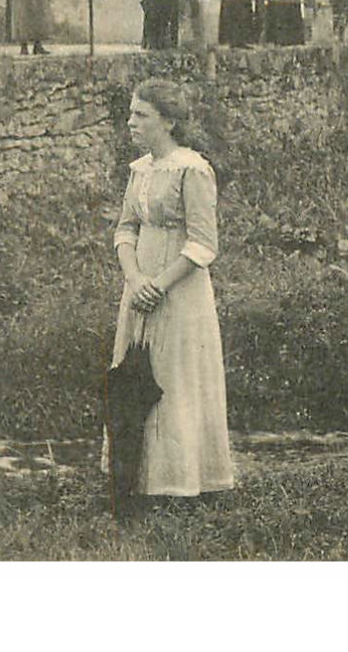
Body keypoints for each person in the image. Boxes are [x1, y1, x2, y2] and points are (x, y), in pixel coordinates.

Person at [110, 78, 235, 502]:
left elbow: (204, 243)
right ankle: (137, 481)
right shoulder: (139, 170)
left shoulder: (193, 169)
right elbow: (125, 228)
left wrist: (159, 286)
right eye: (131, 113)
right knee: (136, 376)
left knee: (176, 379)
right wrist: (135, 279)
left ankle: (181, 482)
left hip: (178, 293)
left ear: (167, 121)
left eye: (140, 115)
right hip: (140, 288)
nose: (131, 122)